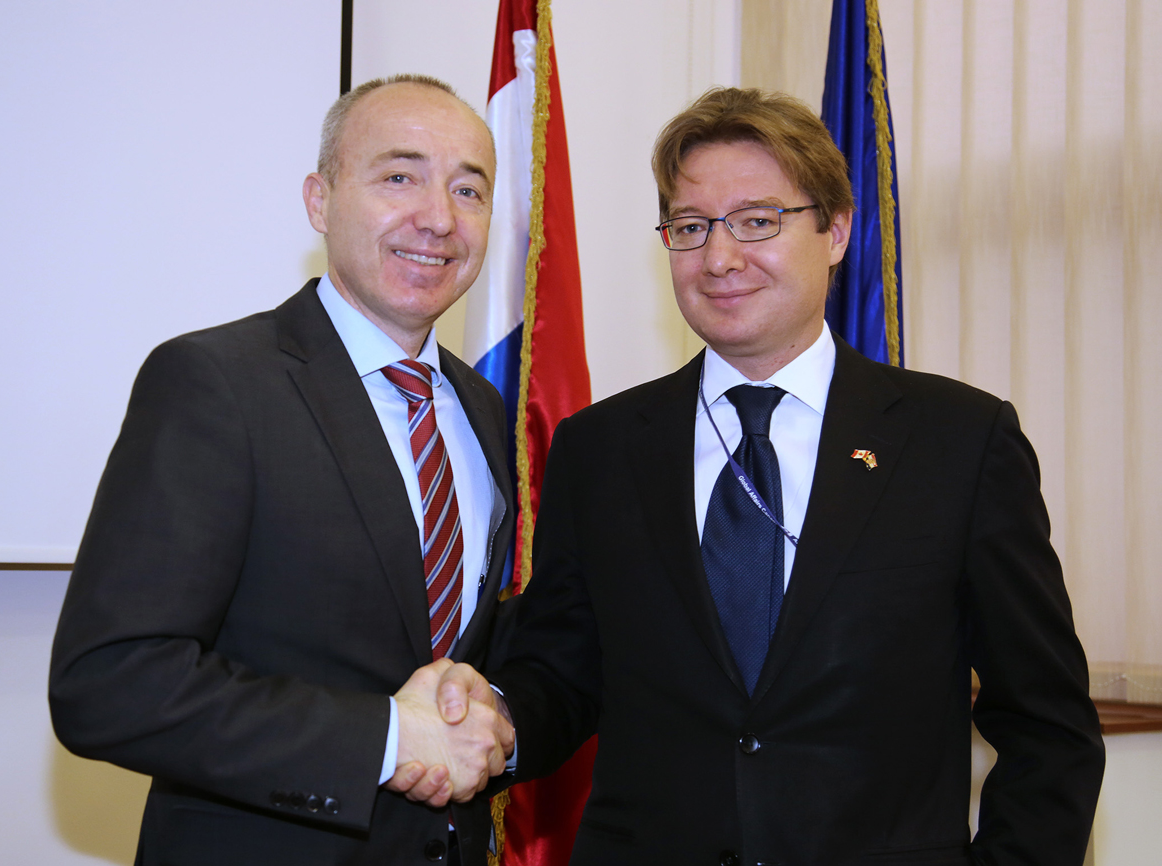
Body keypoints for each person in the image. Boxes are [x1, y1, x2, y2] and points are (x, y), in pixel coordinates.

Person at [439, 87, 1105, 865]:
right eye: (691, 227)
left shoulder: (958, 442)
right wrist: (489, 720)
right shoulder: (599, 448)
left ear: (836, 230)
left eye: (757, 221)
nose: (720, 257)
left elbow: (1048, 725)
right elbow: (563, 674)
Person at [49, 75, 515, 866]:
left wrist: (486, 707)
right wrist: (386, 738)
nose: (439, 217)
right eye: (399, 177)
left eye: (468, 189)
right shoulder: (215, 383)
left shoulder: (479, 406)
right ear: (319, 200)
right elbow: (110, 682)